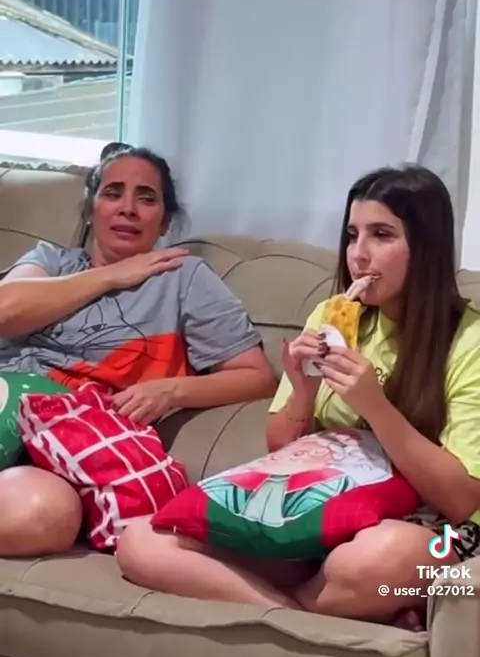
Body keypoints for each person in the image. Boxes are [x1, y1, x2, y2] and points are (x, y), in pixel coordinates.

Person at [116, 164, 480, 628]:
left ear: (427, 246)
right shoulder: (332, 316)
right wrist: (304, 392)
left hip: (438, 533)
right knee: (141, 542)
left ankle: (347, 601)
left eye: (382, 235)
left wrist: (375, 407)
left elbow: (463, 500)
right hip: (321, 516)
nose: (359, 255)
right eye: (352, 235)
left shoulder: (470, 341)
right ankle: (298, 617)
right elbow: (282, 449)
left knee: (380, 560)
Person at [0, 142, 278, 557]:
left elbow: (257, 376)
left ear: (164, 221)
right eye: (113, 193)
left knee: (43, 514)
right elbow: (5, 310)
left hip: (71, 442)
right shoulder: (52, 262)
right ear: (91, 209)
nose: (128, 209)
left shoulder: (182, 277)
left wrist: (171, 390)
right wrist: (111, 276)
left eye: (146, 198)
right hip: (8, 397)